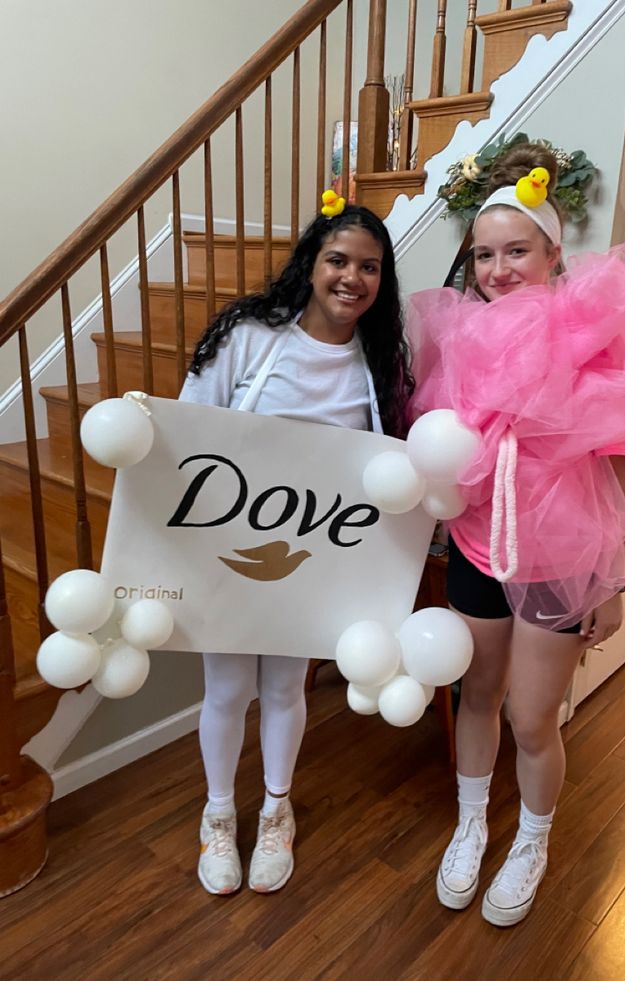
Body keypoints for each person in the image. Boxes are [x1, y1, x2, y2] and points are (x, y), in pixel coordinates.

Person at [408, 143, 625, 927]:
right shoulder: (459, 337)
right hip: (481, 545)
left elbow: (617, 460)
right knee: (476, 694)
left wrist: (611, 577)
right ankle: (474, 819)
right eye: (484, 254)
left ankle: (534, 839)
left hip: (560, 552)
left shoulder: (588, 335)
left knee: (532, 714)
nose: (498, 268)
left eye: (517, 250)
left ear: (553, 251)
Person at [179, 202, 413, 896]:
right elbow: (188, 428)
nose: (352, 278)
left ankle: (277, 811)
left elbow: (389, 465)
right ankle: (218, 816)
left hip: (315, 557)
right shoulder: (249, 336)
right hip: (228, 545)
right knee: (227, 687)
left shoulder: (377, 361)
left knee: (284, 685)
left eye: (369, 267)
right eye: (338, 260)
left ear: (382, 279)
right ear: (311, 263)